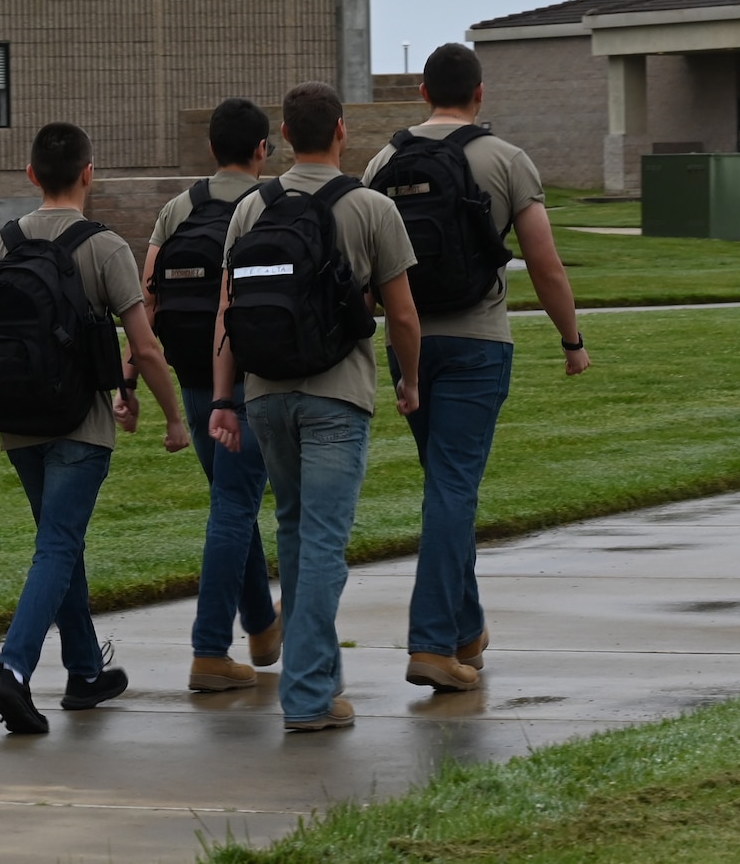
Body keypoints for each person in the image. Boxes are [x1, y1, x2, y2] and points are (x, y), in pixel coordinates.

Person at [363, 43, 590, 693]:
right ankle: (432, 643)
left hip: (409, 346)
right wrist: (571, 338)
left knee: (444, 483)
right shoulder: (504, 159)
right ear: (480, 94)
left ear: (423, 92)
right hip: (479, 341)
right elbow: (544, 261)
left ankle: (468, 628)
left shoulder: (385, 160)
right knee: (453, 489)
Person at [0, 121, 189, 735]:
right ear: (90, 173)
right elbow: (143, 346)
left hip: (18, 427)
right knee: (57, 546)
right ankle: (13, 670)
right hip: (81, 427)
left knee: (60, 544)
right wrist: (172, 416)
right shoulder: (106, 247)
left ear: (32, 175)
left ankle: (86, 670)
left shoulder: (0, 245)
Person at [211, 81, 422, 732]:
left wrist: (223, 397)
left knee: (298, 533)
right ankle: (304, 695)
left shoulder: (252, 206)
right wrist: (407, 380)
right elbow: (404, 314)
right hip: (337, 394)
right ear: (340, 131)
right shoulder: (368, 206)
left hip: (266, 395)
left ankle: (321, 682)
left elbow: (228, 312)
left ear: (284, 133)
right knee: (324, 544)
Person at [142, 97, 281, 692]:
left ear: (210, 150)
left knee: (233, 499)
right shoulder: (269, 206)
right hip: (249, 377)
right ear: (261, 151)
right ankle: (208, 650)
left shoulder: (179, 208)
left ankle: (261, 624)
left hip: (196, 379)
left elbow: (148, 296)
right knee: (233, 506)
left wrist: (132, 379)